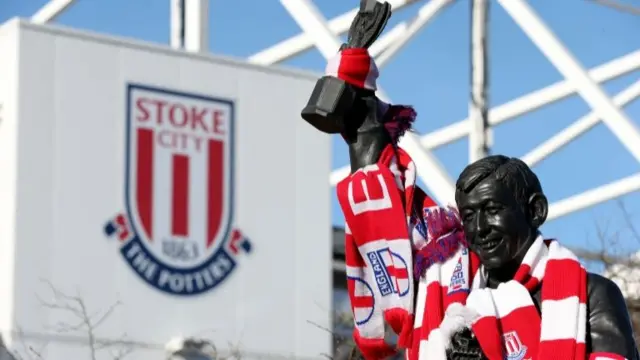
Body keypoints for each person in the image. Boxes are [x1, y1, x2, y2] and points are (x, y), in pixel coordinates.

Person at [409, 155, 639, 360]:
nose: (479, 228)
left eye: (492, 210)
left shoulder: (593, 295)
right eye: (469, 216)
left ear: (536, 211)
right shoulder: (449, 305)